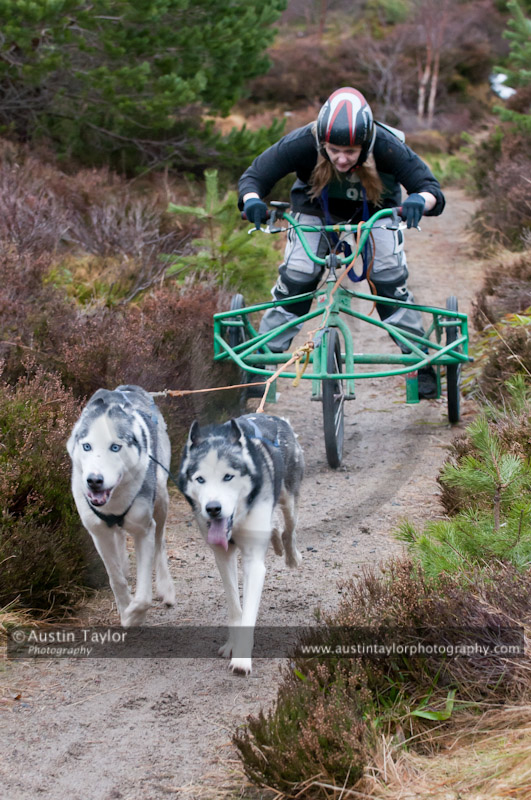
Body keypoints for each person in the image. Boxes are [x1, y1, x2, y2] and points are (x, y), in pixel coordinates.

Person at [238, 87, 445, 399]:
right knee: (297, 277)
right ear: (322, 141)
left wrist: (419, 200)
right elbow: (254, 177)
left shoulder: (385, 144)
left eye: (351, 151)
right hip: (314, 209)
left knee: (389, 279)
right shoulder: (303, 142)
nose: (343, 158)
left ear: (365, 142)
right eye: (335, 150)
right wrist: (252, 201)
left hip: (377, 211)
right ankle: (261, 362)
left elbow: (431, 190)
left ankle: (420, 361)